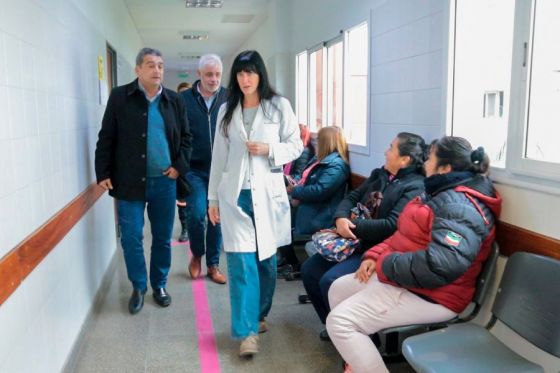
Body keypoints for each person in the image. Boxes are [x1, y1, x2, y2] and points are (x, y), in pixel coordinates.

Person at [326, 136, 502, 373]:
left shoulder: (460, 205)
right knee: (338, 288)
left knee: (339, 322)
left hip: (434, 295)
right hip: (409, 280)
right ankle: (361, 360)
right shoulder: (437, 191)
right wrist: (375, 255)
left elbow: (442, 264)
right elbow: (404, 235)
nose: (424, 162)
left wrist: (386, 264)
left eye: (430, 157)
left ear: (446, 168)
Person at [208, 50, 303, 357]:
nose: (245, 79)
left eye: (250, 72)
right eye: (239, 73)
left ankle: (260, 314)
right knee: (241, 267)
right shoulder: (226, 110)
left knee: (266, 266)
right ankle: (246, 332)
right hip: (235, 196)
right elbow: (218, 158)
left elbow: (296, 145)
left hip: (266, 195)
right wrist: (212, 198)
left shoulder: (278, 106)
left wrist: (269, 148)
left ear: (260, 74)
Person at [301, 132, 427, 338]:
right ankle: (333, 324)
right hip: (352, 241)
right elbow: (352, 197)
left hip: (378, 249)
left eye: (391, 148)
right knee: (309, 270)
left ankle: (359, 333)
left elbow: (392, 225)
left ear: (405, 160)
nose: (386, 152)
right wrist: (341, 218)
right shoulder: (380, 174)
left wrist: (351, 226)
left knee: (329, 280)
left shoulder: (415, 186)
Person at [95, 48, 192, 314]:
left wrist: (177, 168)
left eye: (160, 65)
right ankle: (139, 286)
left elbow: (186, 139)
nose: (157, 70)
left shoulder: (174, 100)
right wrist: (102, 173)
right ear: (137, 69)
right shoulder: (120, 97)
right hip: (129, 182)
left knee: (162, 238)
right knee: (131, 238)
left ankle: (159, 284)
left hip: (164, 182)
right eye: (150, 65)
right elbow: (106, 138)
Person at [180, 54, 229, 284]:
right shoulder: (184, 99)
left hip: (221, 171)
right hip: (194, 170)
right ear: (199, 74)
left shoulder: (229, 98)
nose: (214, 79)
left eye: (217, 74)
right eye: (209, 74)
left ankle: (213, 264)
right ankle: (197, 254)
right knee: (197, 213)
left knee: (216, 218)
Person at [278, 126, 350, 271]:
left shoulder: (336, 166)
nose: (316, 142)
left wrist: (295, 190)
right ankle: (287, 259)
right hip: (308, 204)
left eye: (318, 139)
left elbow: (320, 191)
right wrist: (295, 183)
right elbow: (303, 175)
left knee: (281, 220)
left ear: (326, 142)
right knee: (278, 216)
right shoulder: (319, 159)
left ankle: (292, 262)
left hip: (320, 212)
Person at [175, 81, 193, 242]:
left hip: (197, 162)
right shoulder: (174, 113)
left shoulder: (196, 112)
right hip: (182, 163)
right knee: (182, 199)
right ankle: (185, 228)